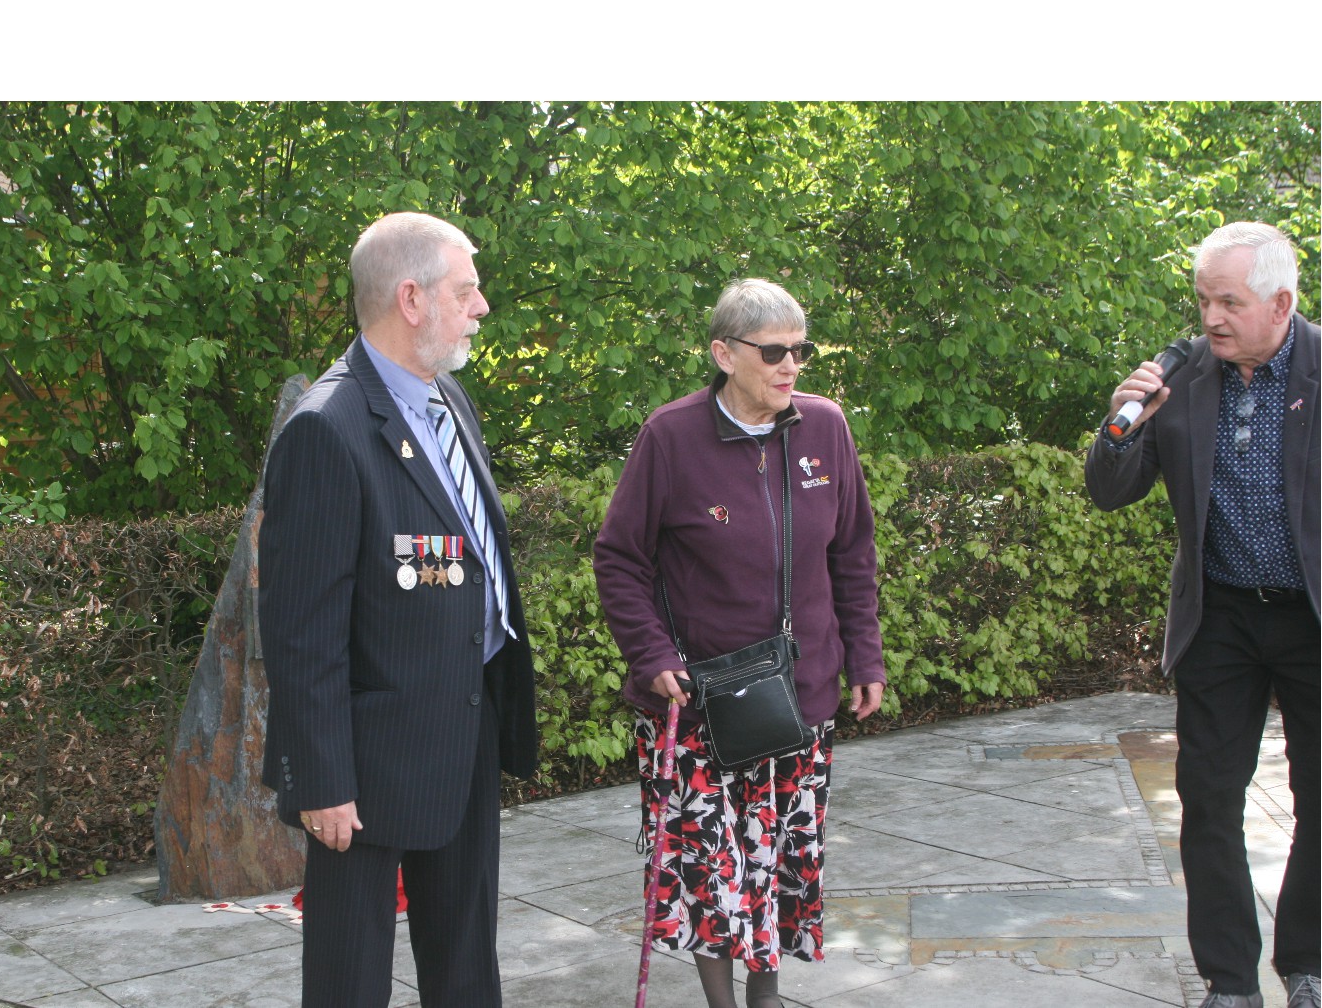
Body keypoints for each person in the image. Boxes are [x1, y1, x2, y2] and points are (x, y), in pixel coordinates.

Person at [258, 212, 537, 1008]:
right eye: (467, 289)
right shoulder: (326, 429)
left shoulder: (448, 400)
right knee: (350, 981)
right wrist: (321, 780)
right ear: (411, 298)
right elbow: (301, 631)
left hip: (462, 726)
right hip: (364, 765)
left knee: (465, 969)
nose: (481, 306)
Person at [593, 278, 885, 1008]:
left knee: (778, 856)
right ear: (723, 353)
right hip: (701, 704)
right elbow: (620, 558)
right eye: (774, 352)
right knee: (710, 869)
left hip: (800, 692)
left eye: (801, 350)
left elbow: (851, 551)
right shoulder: (671, 436)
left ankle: (767, 996)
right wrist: (651, 655)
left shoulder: (826, 428)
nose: (791, 366)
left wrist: (865, 654)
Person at [1085, 222, 1319, 1008]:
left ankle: (1307, 961)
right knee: (1209, 795)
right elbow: (1110, 490)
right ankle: (1228, 980)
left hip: (1314, 619)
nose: (1210, 317)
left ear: (1282, 304)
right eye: (1202, 300)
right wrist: (1123, 419)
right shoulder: (1182, 374)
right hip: (1219, 617)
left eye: (1229, 301)